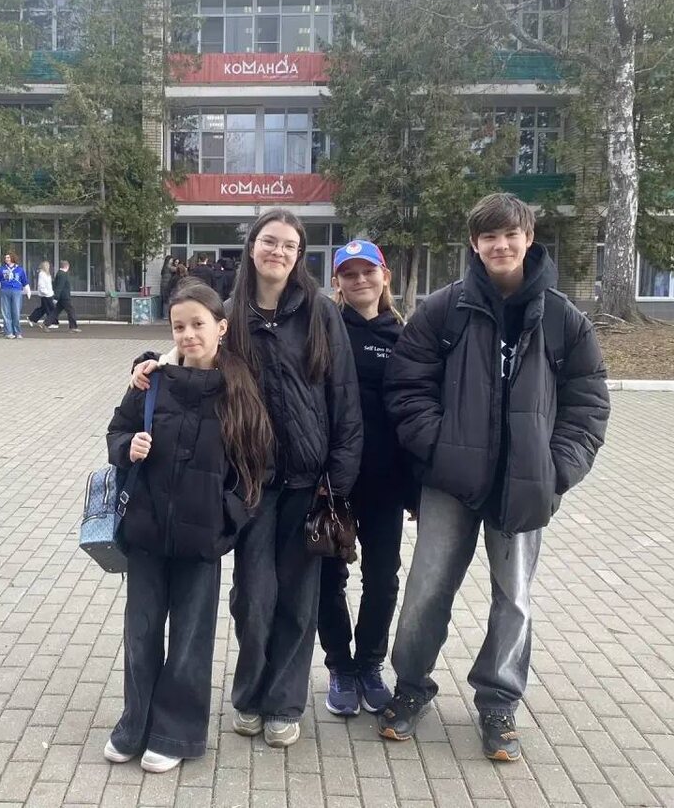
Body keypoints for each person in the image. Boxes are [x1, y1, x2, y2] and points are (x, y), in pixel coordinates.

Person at [379, 193, 610, 760]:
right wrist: (440, 451)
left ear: (529, 238)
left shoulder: (563, 319)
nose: (500, 245)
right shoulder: (444, 310)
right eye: (489, 237)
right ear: (474, 244)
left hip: (525, 484)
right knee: (427, 590)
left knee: (515, 599)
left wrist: (556, 470)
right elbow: (407, 387)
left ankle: (499, 700)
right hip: (450, 482)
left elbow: (588, 405)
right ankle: (411, 687)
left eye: (510, 235)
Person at [132, 208, 363, 748]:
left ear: (299, 254)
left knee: (298, 600)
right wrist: (152, 363)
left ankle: (284, 703)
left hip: (310, 481)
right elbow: (194, 352)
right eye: (268, 241)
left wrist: (338, 477)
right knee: (253, 598)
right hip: (251, 479)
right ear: (253, 247)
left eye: (288, 244)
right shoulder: (231, 313)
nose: (277, 251)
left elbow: (344, 396)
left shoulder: (321, 314)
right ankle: (250, 694)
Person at [104, 281, 272, 774]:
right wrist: (127, 448)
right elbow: (116, 430)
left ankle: (175, 732)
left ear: (222, 327)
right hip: (147, 532)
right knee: (141, 633)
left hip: (202, 539)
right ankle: (135, 723)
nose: (189, 334)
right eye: (179, 326)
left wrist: (227, 518)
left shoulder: (239, 388)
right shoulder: (152, 380)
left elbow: (258, 465)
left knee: (191, 639)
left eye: (199, 324)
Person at [318, 240, 411, 718]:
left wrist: (417, 486)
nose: (359, 280)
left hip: (384, 480)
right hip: (333, 478)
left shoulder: (405, 335)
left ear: (384, 276)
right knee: (327, 575)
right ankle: (340, 667)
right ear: (336, 281)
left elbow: (417, 408)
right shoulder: (324, 329)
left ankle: (370, 664)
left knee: (382, 577)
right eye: (348, 273)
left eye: (367, 271)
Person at [0, 252, 31, 339]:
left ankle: (17, 332)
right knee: (6, 312)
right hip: (4, 291)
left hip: (16, 291)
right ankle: (8, 332)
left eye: (8, 257)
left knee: (16, 312)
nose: (6, 259)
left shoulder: (20, 270)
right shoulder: (1, 269)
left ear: (13, 258)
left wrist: (28, 291)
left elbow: (25, 282)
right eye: (6, 258)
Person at [46, 259, 80, 331]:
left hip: (61, 297)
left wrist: (56, 297)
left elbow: (56, 285)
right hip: (64, 297)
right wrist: (56, 297)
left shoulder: (59, 273)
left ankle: (46, 323)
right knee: (71, 311)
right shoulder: (63, 274)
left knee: (56, 311)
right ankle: (73, 327)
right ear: (67, 266)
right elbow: (60, 286)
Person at [29, 260, 55, 328]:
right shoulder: (42, 274)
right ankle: (50, 322)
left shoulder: (47, 274)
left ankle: (32, 318)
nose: (49, 267)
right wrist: (45, 292)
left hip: (48, 294)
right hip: (46, 295)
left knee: (43, 309)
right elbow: (41, 285)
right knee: (50, 309)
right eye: (48, 266)